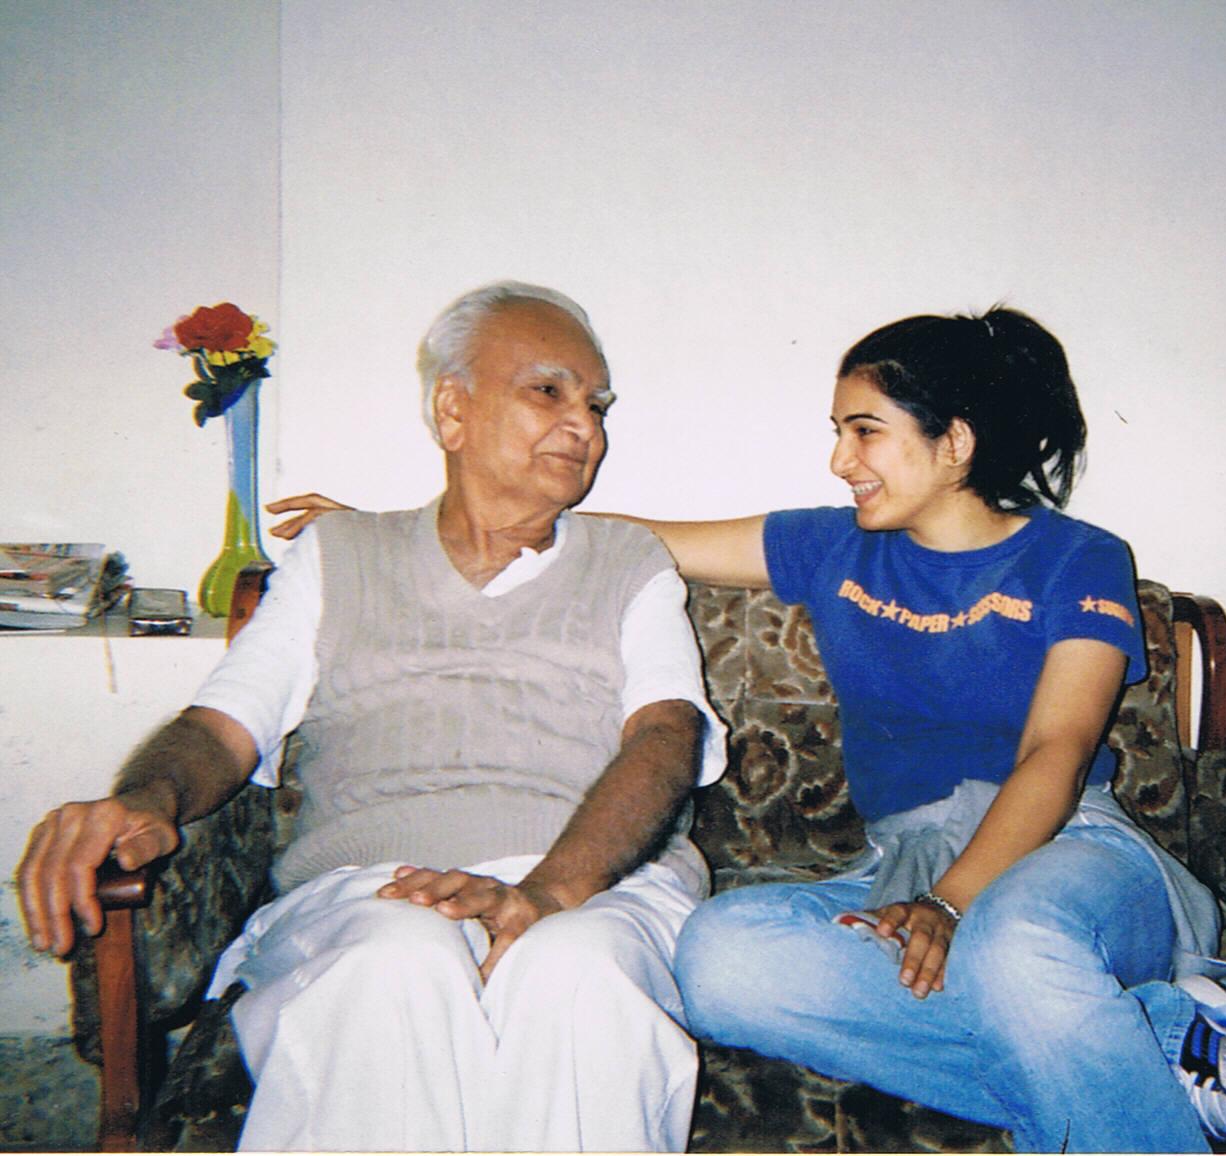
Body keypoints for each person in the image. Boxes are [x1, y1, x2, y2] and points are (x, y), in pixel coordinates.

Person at [266, 307, 1226, 1152]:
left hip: (1068, 849)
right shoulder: (834, 547)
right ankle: (1167, 1053)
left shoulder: (1076, 557)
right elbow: (626, 538)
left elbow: (1056, 754)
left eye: (864, 431)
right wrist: (409, 525)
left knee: (1016, 949)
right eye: (838, 433)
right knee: (716, 960)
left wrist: (951, 903)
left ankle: (1119, 1061)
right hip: (900, 862)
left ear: (954, 442)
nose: (841, 460)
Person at [14, 281, 727, 1152]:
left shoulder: (627, 561)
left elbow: (666, 734)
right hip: (371, 886)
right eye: (549, 390)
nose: (586, 425)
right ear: (452, 410)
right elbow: (223, 723)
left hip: (595, 890)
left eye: (597, 404)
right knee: (397, 957)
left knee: (576, 972)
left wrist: (547, 891)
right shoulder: (339, 554)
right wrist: (147, 798)